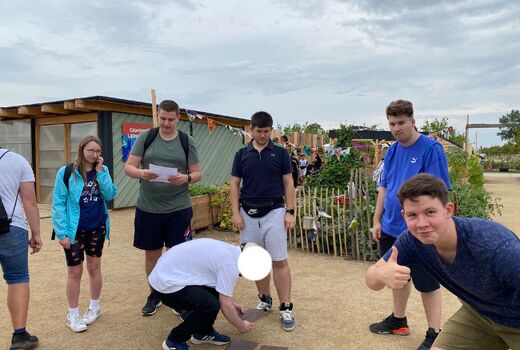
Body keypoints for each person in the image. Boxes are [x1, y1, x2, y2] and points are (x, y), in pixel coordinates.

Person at [366, 174, 520, 350]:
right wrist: (380, 274)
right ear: (404, 215)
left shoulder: (495, 247)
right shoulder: (411, 241)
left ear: (448, 210)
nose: (421, 224)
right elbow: (371, 280)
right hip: (479, 315)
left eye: (430, 212)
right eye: (412, 215)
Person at [370, 99, 451, 350]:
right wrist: (376, 219)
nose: (396, 128)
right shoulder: (392, 151)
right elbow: (384, 188)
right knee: (397, 277)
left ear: (413, 121)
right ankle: (398, 320)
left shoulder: (431, 149)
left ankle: (434, 332)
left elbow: (439, 192)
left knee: (427, 282)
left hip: (420, 230)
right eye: (392, 124)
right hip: (392, 226)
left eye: (401, 123)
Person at [123, 100, 201, 316]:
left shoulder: (186, 141)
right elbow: (128, 167)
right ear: (158, 116)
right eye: (162, 118)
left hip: (178, 208)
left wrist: (185, 178)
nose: (166, 123)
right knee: (152, 254)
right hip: (149, 207)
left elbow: (197, 173)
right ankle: (155, 294)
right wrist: (142, 173)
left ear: (178, 118)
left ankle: (180, 299)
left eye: (171, 119)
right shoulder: (146, 138)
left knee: (178, 255)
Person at [230, 111, 297, 331]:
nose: (262, 135)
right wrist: (235, 213)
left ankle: (286, 307)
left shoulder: (280, 153)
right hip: (248, 215)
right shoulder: (241, 155)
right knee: (256, 262)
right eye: (258, 131)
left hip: (274, 212)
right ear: (251, 130)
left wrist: (290, 212)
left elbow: (288, 183)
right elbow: (234, 185)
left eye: (266, 131)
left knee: (279, 261)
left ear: (271, 130)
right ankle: (265, 299)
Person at [51, 136, 117, 333]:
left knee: (94, 268)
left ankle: (94, 308)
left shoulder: (102, 171)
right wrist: (61, 233)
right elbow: (58, 204)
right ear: (82, 150)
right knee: (74, 271)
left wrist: (101, 174)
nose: (95, 154)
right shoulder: (67, 172)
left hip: (97, 227)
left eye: (98, 151)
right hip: (74, 230)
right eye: (91, 150)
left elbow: (111, 194)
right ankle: (73, 314)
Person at [149, 238, 255, 350]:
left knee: (213, 299)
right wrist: (241, 326)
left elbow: (219, 290)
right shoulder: (230, 265)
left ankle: (202, 332)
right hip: (166, 286)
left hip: (166, 275)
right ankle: (175, 340)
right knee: (210, 306)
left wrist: (232, 304)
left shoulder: (229, 251)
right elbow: (225, 305)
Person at [0, 147, 42, 349]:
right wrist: (36, 233)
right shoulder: (17, 160)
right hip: (12, 227)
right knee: (17, 278)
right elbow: (30, 202)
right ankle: (19, 335)